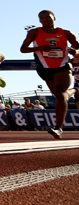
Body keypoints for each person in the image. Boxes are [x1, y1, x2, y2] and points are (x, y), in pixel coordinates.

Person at [20, 10, 79, 139]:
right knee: (59, 96)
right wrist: (40, 48)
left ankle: (58, 128)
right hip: (44, 68)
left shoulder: (66, 33)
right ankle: (76, 89)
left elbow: (77, 47)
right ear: (39, 20)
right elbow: (23, 49)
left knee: (61, 94)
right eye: (42, 18)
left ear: (54, 18)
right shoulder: (34, 32)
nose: (45, 19)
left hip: (63, 67)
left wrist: (75, 51)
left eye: (47, 17)